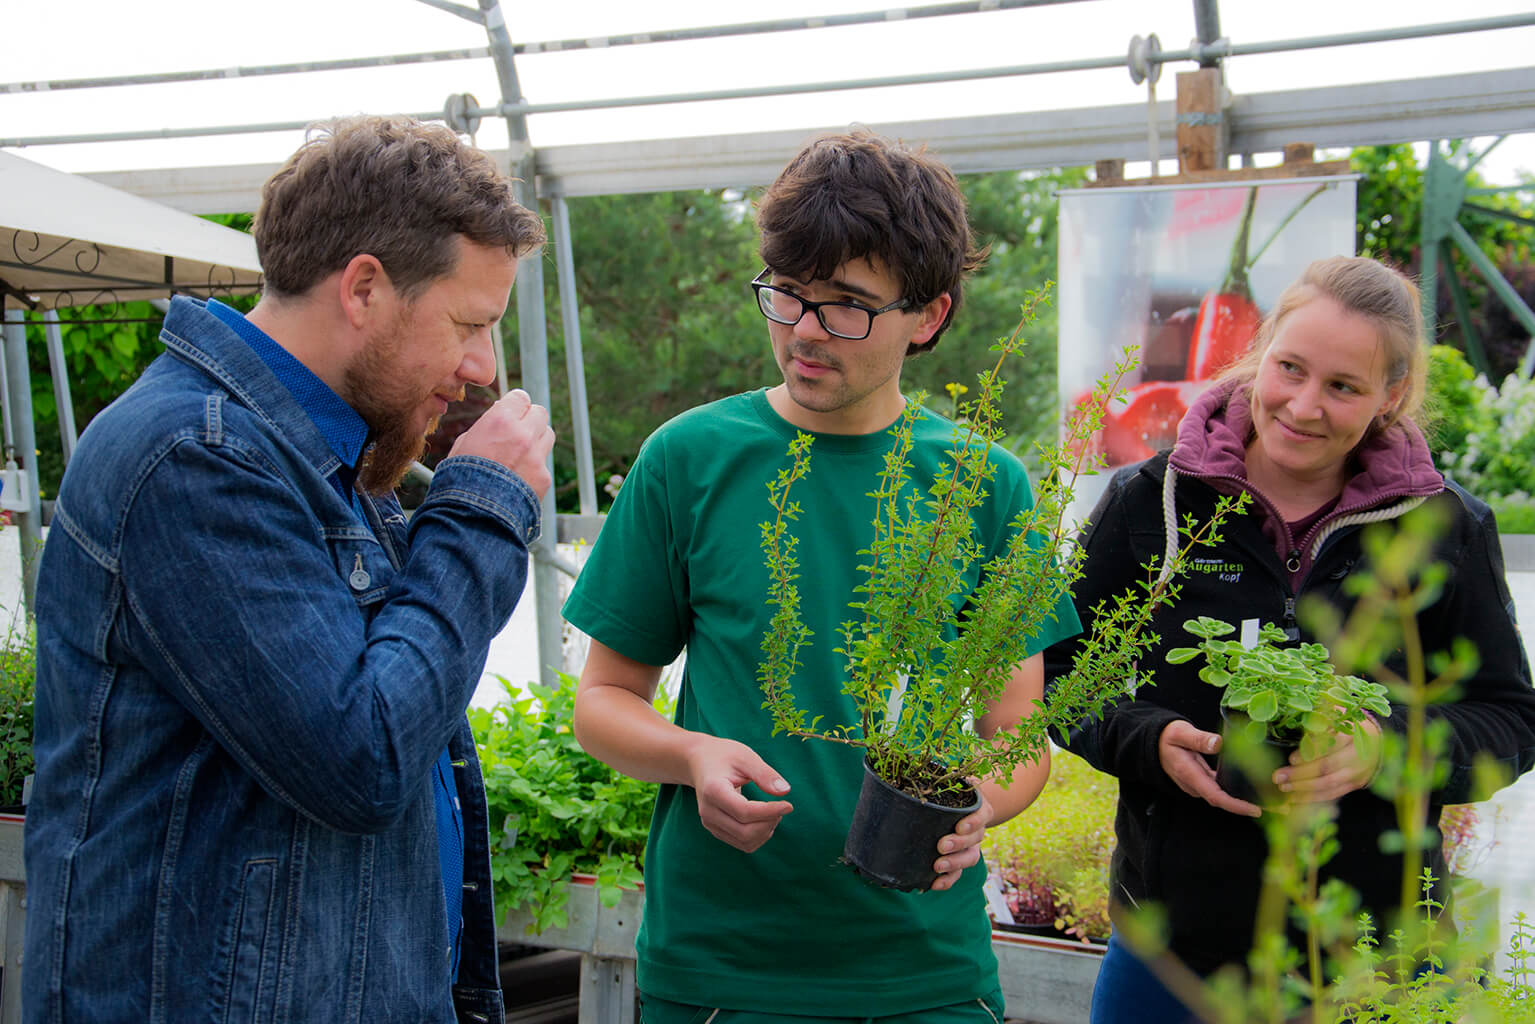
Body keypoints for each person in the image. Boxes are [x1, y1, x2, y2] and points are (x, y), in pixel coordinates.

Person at [23, 115, 553, 1024]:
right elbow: (362, 760)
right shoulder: (194, 459)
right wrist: (479, 512)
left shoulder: (326, 458)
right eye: (470, 323)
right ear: (363, 288)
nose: (481, 369)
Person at [563, 128, 1078, 1022]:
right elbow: (603, 700)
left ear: (930, 315)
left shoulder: (983, 485)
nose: (803, 330)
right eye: (786, 295)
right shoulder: (690, 459)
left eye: (846, 303)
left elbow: (1016, 732)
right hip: (723, 969)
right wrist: (689, 754)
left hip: (924, 975)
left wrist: (976, 809)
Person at [1044, 255, 1535, 1022]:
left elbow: (1510, 722)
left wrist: (1384, 748)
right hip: (1171, 955)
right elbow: (1061, 676)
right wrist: (1150, 740)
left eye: (1342, 387)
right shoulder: (1149, 501)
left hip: (1378, 962)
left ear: (1389, 396)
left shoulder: (1447, 529)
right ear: (1261, 350)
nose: (1303, 406)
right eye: (1290, 369)